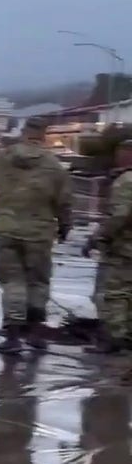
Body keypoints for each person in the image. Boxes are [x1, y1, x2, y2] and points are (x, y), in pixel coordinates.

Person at [0, 117, 72, 354]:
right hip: (39, 232)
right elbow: (63, 202)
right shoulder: (54, 166)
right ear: (43, 134)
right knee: (38, 282)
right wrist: (65, 226)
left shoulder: (3, 157)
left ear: (23, 132)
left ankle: (12, 335)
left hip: (6, 229)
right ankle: (34, 333)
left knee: (12, 281)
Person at [81, 139, 132, 354]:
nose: (118, 157)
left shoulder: (126, 181)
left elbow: (119, 216)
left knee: (111, 294)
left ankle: (113, 338)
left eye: (123, 152)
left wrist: (98, 237)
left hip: (123, 248)